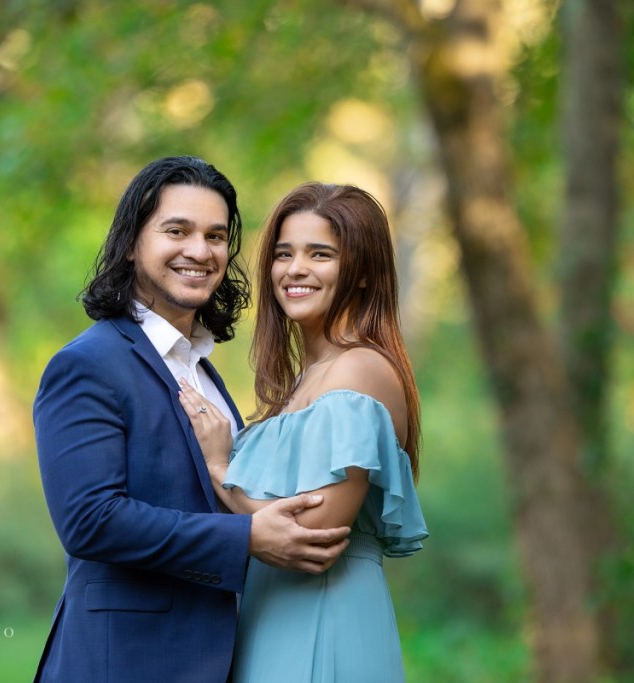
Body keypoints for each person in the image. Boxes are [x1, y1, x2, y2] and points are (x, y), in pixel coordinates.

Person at [32, 158, 352, 683]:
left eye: (216, 236)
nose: (200, 252)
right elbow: (90, 520)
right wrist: (246, 538)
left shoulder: (201, 369)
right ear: (131, 243)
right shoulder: (88, 364)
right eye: (177, 231)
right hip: (123, 664)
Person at [177, 181, 428, 682]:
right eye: (284, 253)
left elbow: (313, 536)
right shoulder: (304, 381)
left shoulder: (360, 370)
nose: (295, 269)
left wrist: (220, 467)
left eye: (321, 254)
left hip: (325, 614)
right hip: (271, 613)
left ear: (362, 272)